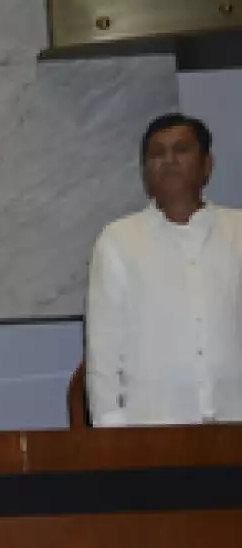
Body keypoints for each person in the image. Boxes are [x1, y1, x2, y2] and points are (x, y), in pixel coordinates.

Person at [86, 113, 242, 427]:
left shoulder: (237, 230)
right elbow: (103, 349)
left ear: (207, 164)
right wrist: (112, 435)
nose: (169, 160)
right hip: (152, 429)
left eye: (181, 149)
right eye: (157, 154)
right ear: (146, 172)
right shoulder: (118, 240)